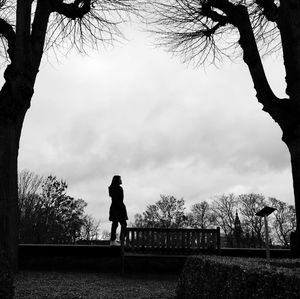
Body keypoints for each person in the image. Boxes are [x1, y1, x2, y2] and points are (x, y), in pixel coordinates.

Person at [108, 175, 128, 246]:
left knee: (115, 224)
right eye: (120, 179)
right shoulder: (119, 188)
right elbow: (120, 199)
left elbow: (115, 199)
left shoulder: (111, 188)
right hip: (119, 208)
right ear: (117, 180)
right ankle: (121, 240)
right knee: (123, 224)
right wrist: (121, 208)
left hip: (114, 208)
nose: (121, 180)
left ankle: (113, 240)